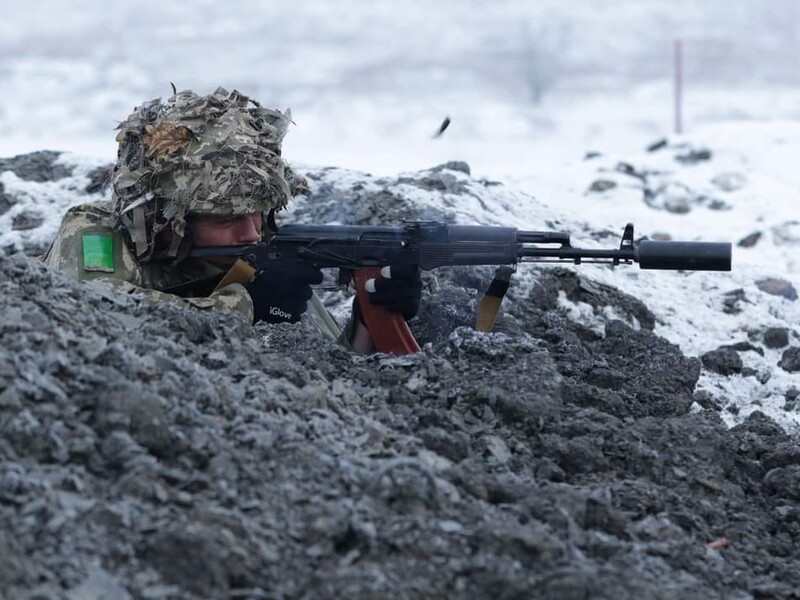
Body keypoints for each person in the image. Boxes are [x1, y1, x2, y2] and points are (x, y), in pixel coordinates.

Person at [43, 87, 420, 352]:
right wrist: (244, 306)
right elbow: (95, 316)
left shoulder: (260, 262)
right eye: (227, 219)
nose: (252, 233)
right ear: (170, 221)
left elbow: (328, 374)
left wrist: (370, 321)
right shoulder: (94, 234)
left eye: (258, 212)